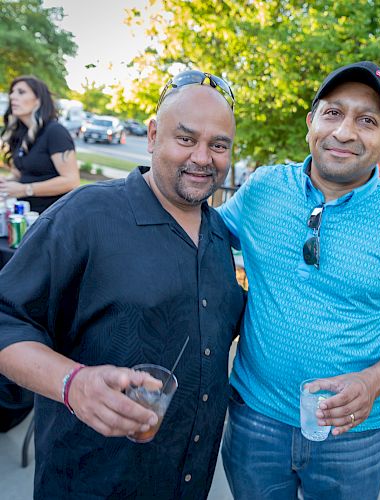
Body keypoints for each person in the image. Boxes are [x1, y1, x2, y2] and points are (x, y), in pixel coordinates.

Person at [0, 70, 245, 499]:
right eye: (185, 139)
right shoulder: (85, 215)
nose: (204, 158)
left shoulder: (222, 234)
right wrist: (72, 382)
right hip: (90, 484)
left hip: (188, 482)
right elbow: (5, 317)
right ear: (152, 136)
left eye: (218, 145)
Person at [218, 61, 380, 499]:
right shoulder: (264, 189)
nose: (344, 132)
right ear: (311, 123)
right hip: (255, 418)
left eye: (367, 120)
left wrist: (372, 382)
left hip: (355, 436)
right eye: (333, 113)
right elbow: (201, 237)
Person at [0, 76, 80, 213]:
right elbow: (24, 174)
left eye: (21, 92)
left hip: (53, 217)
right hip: (26, 214)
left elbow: (71, 181)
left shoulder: (55, 132)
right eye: (12, 92)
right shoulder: (21, 134)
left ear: (38, 99)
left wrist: (26, 189)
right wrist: (7, 183)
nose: (13, 96)